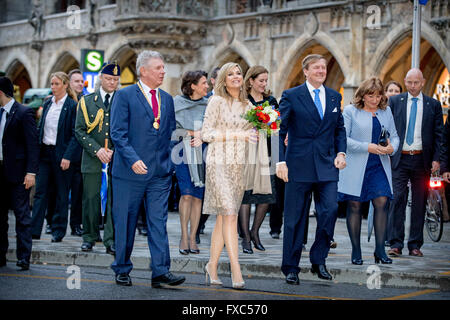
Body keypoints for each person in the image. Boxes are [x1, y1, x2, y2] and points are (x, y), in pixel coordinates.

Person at [110, 50, 185, 288]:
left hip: (159, 175)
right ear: (143, 71)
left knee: (158, 222)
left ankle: (161, 272)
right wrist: (133, 159)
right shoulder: (124, 96)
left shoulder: (167, 99)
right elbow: (117, 134)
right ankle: (122, 268)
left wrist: (169, 163)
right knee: (126, 222)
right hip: (128, 173)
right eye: (158, 68)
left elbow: (171, 134)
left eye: (163, 67)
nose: (163, 71)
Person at [276, 54, 347, 285]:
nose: (321, 71)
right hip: (298, 165)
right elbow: (280, 130)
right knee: (295, 218)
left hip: (327, 165)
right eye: (316, 67)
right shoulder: (291, 95)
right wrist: (280, 161)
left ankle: (319, 260)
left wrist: (341, 153)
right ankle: (291, 267)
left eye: (323, 67)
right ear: (305, 71)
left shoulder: (335, 97)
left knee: (329, 211)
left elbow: (339, 130)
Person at [201, 62, 258, 290]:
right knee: (231, 214)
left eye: (239, 73)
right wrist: (238, 134)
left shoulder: (247, 104)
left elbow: (258, 131)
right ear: (223, 80)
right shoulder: (216, 101)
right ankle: (236, 268)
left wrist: (268, 127)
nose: (236, 77)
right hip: (218, 163)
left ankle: (211, 266)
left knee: (224, 218)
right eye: (231, 74)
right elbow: (206, 133)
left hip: (238, 165)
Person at [338, 77, 399, 265]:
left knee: (382, 201)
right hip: (356, 165)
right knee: (355, 206)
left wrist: (392, 148)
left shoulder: (386, 111)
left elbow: (395, 136)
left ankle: (380, 250)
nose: (375, 100)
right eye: (371, 96)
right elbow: (344, 140)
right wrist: (368, 147)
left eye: (379, 96)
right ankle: (356, 250)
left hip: (379, 164)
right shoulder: (350, 112)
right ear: (363, 95)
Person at [387, 68, 443, 257]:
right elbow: (387, 128)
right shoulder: (394, 101)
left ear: (423, 82)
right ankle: (395, 244)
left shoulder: (433, 105)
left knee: (419, 202)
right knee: (398, 199)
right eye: (409, 82)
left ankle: (415, 245)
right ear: (405, 80)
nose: (412, 86)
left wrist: (437, 159)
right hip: (400, 158)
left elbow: (438, 135)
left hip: (422, 159)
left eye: (416, 82)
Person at [75, 62, 120, 255]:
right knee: (91, 199)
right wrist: (97, 150)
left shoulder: (121, 100)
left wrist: (114, 151)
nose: (112, 83)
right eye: (109, 79)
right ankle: (89, 237)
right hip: (92, 159)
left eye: (116, 80)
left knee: (112, 200)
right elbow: (79, 130)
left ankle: (110, 240)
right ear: (101, 78)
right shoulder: (87, 101)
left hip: (115, 159)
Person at [31, 72, 80, 242]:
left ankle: (58, 231)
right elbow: (41, 129)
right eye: (52, 84)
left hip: (62, 156)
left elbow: (76, 134)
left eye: (56, 84)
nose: (53, 87)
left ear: (65, 85)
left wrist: (68, 156)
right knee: (40, 192)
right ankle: (34, 229)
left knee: (61, 194)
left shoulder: (72, 106)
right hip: (45, 153)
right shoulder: (47, 103)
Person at [0, 77, 39, 270]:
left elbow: (33, 145)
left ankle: (24, 257)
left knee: (22, 217)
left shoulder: (24, 113)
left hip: (18, 174)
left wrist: (31, 172)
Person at [239, 65, 278, 254]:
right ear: (251, 81)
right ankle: (245, 237)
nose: (264, 84)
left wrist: (269, 123)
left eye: (266, 81)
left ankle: (255, 232)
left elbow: (277, 125)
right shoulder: (241, 100)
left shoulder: (271, 101)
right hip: (245, 152)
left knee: (266, 196)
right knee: (245, 195)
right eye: (261, 80)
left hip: (266, 152)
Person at [173, 70, 209, 255]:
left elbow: (213, 129)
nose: (207, 86)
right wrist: (193, 133)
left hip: (203, 153)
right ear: (193, 85)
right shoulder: (176, 103)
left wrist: (203, 136)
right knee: (186, 194)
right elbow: (171, 131)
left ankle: (193, 237)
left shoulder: (209, 104)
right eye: (203, 83)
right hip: (181, 152)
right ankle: (183, 236)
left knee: (198, 197)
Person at [196, 66, 221, 243]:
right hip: (206, 149)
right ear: (213, 81)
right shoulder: (204, 100)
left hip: (227, 151)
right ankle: (197, 227)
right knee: (206, 191)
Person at [383, 79, 403, 247]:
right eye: (391, 90)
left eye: (397, 91)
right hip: (382, 157)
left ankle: (392, 235)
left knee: (396, 199)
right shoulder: (382, 111)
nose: (394, 94)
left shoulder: (402, 110)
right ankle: (384, 233)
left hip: (397, 158)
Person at [68, 69, 84, 237]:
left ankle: (75, 224)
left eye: (82, 81)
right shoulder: (65, 102)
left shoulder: (85, 100)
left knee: (79, 192)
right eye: (76, 81)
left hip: (80, 154)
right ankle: (52, 223)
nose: (80, 84)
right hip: (65, 154)